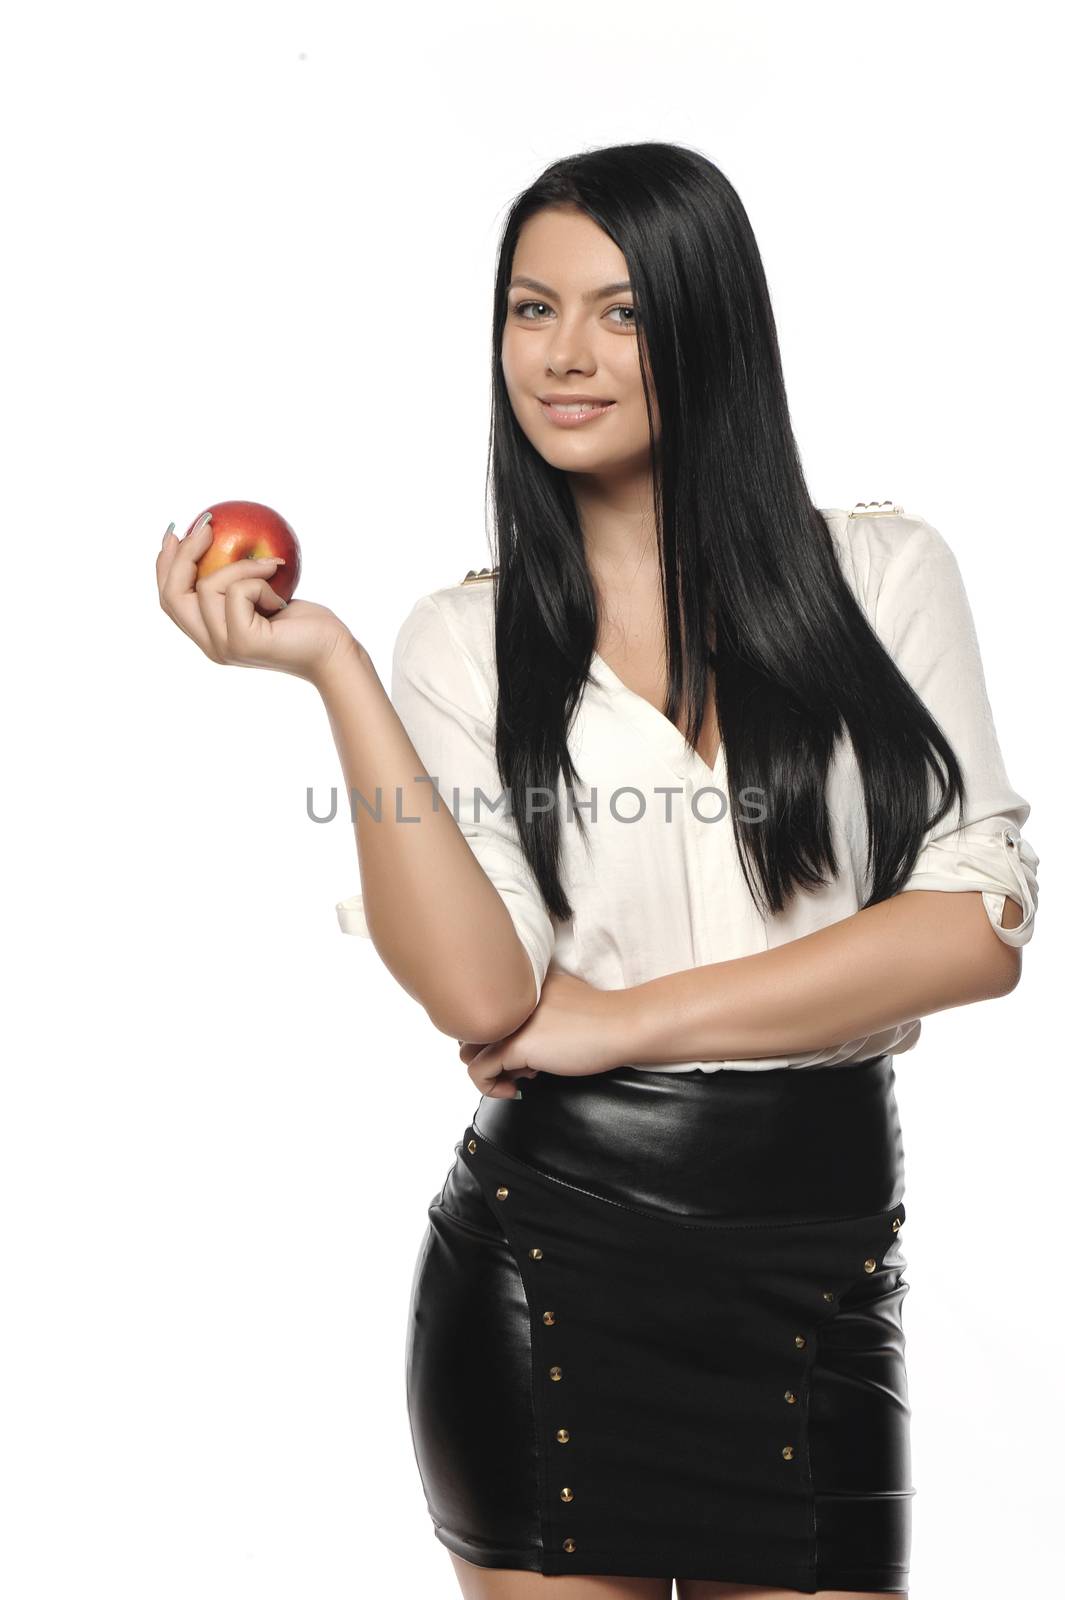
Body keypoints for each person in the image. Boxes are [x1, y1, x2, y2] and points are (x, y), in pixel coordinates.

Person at [157, 143, 1039, 1600]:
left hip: (818, 1274)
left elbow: (972, 932)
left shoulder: (881, 577)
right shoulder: (458, 645)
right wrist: (333, 667)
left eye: (619, 313)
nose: (561, 356)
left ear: (708, 327)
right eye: (528, 308)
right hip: (547, 1272)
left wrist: (616, 1022)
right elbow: (484, 988)